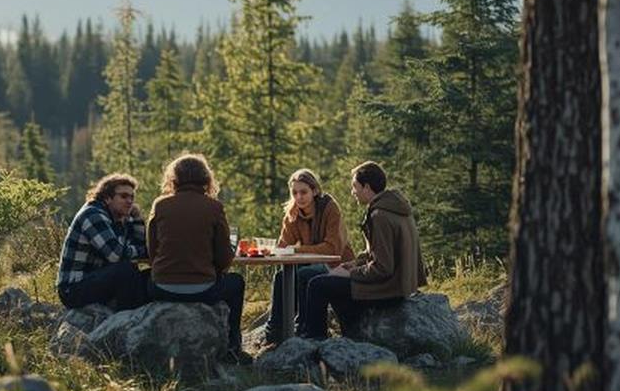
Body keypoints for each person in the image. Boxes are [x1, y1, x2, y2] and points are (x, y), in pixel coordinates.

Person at [302, 161, 427, 339]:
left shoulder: (379, 216)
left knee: (318, 285)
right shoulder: (395, 207)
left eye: (355, 187)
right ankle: (352, 332)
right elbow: (376, 254)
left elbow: (383, 268)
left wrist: (351, 274)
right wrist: (351, 265)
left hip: (388, 290)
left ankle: (315, 339)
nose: (353, 192)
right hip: (401, 285)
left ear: (367, 187)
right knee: (325, 279)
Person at [146, 154, 252, 365]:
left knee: (138, 278)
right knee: (236, 282)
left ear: (174, 178)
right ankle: (233, 348)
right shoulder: (214, 207)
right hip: (203, 290)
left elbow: (152, 252)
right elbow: (224, 258)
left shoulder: (160, 205)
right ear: (206, 178)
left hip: (162, 288)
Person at [262, 168, 355, 345]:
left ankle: (304, 329)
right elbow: (283, 246)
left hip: (338, 265)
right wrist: (271, 251)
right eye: (294, 193)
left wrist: (295, 250)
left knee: (305, 274)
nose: (299, 197)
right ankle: (275, 331)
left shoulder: (329, 208)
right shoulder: (293, 213)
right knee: (281, 277)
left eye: (303, 192)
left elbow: (332, 249)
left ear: (315, 190)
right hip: (310, 262)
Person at [56, 173, 149, 310]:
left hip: (96, 279)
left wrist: (138, 219)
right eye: (123, 196)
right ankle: (127, 317)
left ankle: (137, 312)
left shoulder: (120, 218)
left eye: (132, 197)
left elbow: (138, 246)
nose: (130, 201)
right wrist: (142, 252)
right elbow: (116, 255)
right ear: (107, 198)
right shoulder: (92, 214)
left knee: (147, 274)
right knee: (126, 269)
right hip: (73, 289)